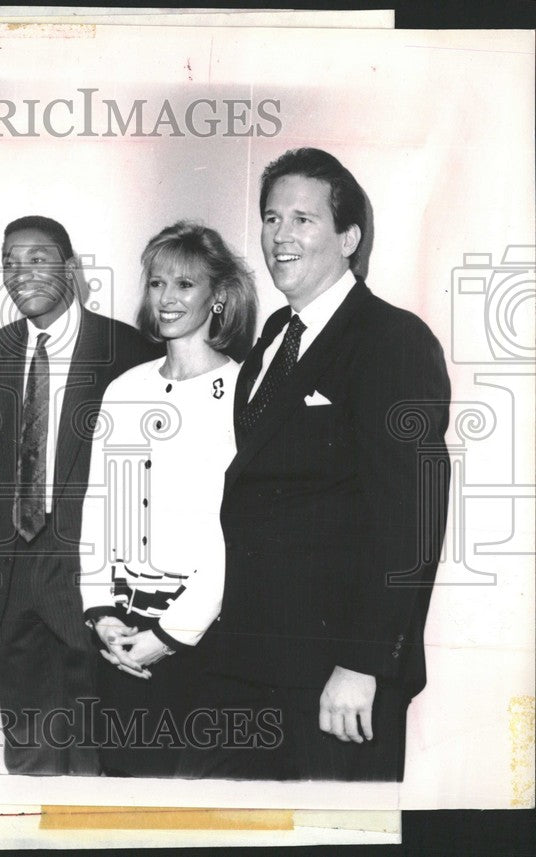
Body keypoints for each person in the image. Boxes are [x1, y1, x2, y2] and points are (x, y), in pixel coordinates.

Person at [202, 148, 451, 780]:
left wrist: (363, 663)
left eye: (302, 219)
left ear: (349, 237)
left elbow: (411, 517)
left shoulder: (393, 340)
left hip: (336, 682)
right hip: (253, 665)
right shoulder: (269, 342)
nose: (279, 235)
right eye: (270, 217)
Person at [0, 215, 160, 775]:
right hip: (11, 570)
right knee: (28, 740)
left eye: (36, 258)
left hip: (95, 570)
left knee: (97, 744)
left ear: (72, 269)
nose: (20, 272)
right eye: (10, 261)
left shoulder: (128, 350)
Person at [79, 221, 257, 777]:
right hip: (120, 633)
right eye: (157, 284)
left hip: (201, 637)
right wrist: (101, 614)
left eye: (184, 284)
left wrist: (170, 635)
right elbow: (101, 507)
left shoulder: (247, 392)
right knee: (122, 789)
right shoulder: (125, 387)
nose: (167, 299)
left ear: (219, 296)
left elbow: (237, 529)